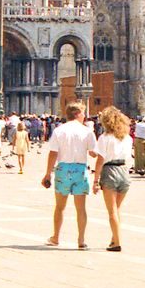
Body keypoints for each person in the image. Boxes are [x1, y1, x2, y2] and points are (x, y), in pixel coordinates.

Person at [42, 102, 97, 250]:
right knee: (81, 208)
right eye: (83, 113)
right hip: (80, 170)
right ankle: (81, 240)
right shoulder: (87, 131)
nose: (85, 116)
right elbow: (93, 153)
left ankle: (55, 237)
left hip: (63, 169)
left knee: (60, 207)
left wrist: (48, 173)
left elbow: (53, 153)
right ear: (77, 113)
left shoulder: (60, 130)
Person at [92, 106, 132, 252]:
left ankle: (117, 243)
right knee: (117, 209)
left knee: (112, 211)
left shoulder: (105, 138)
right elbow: (128, 158)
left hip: (109, 170)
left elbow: (100, 160)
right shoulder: (128, 138)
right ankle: (114, 239)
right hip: (124, 171)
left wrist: (95, 181)